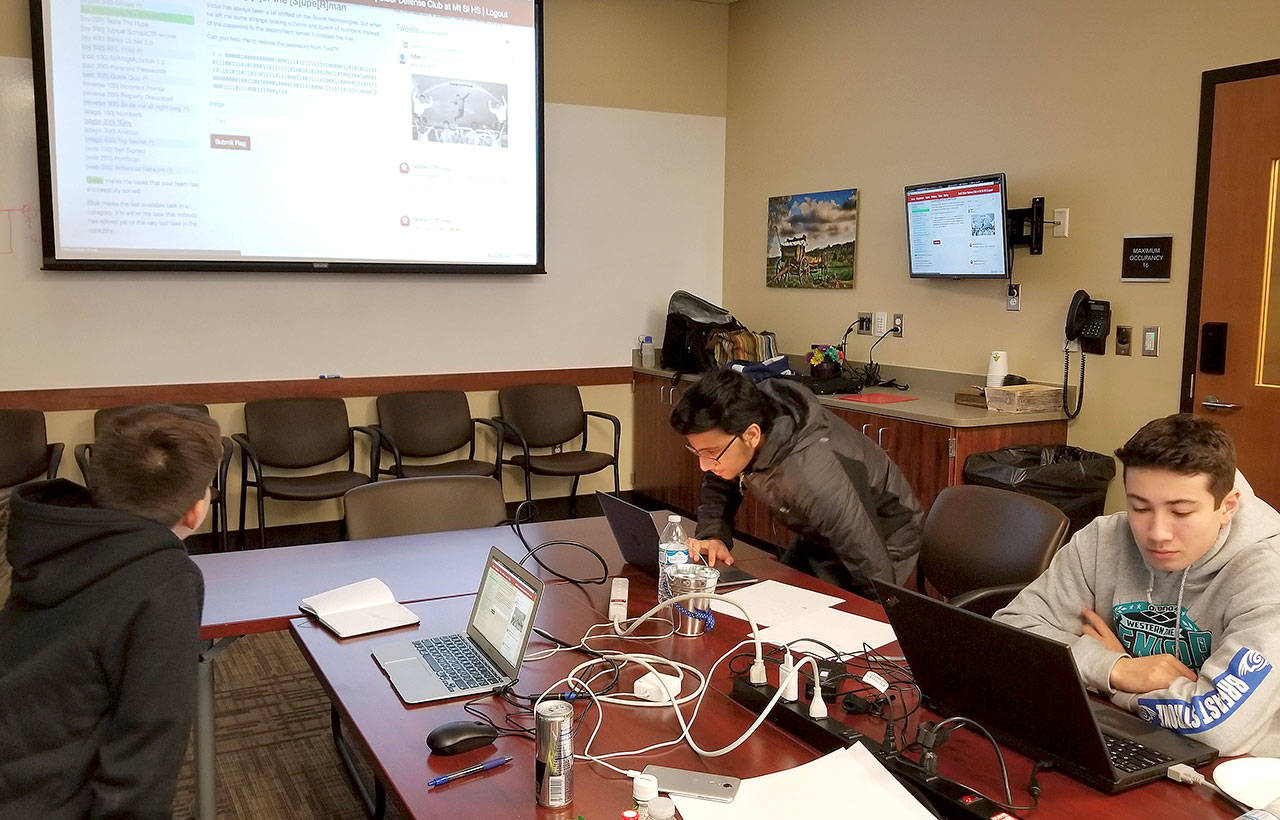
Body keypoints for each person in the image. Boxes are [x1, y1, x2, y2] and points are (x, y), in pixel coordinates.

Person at [996, 413, 1280, 756]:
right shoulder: (1104, 539)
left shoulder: (1267, 573)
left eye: (1181, 512)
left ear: (1227, 507)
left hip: (1237, 774)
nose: (1157, 533)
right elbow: (1009, 634)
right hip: (1126, 737)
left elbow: (1217, 727)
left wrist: (1111, 681)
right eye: (1140, 507)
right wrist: (1116, 668)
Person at [0, 405, 222, 819]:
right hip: (54, 798)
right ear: (195, 510)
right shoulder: (165, 581)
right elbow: (149, 745)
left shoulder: (53, 537)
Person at [669, 368, 923, 598]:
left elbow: (873, 570)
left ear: (752, 435)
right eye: (698, 451)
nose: (704, 464)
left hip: (884, 536)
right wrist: (714, 535)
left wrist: (875, 622)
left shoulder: (812, 475)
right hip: (820, 533)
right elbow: (721, 479)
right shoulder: (746, 418)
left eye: (711, 452)